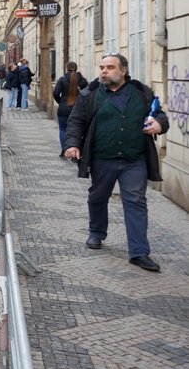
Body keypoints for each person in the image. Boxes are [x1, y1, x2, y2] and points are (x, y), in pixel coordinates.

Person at [64, 53, 169, 272]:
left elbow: (159, 116)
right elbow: (76, 122)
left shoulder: (141, 92)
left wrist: (159, 124)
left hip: (134, 160)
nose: (104, 71)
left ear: (123, 71)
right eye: (102, 67)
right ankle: (96, 233)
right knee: (98, 197)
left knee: (136, 201)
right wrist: (71, 144)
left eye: (110, 67)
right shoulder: (90, 94)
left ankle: (139, 252)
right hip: (102, 158)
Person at [53, 62, 88, 158]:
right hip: (78, 109)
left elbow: (56, 93)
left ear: (66, 68)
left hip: (64, 109)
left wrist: (61, 102)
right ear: (76, 68)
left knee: (63, 130)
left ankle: (64, 151)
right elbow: (88, 95)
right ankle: (76, 152)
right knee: (79, 130)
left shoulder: (62, 79)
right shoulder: (83, 80)